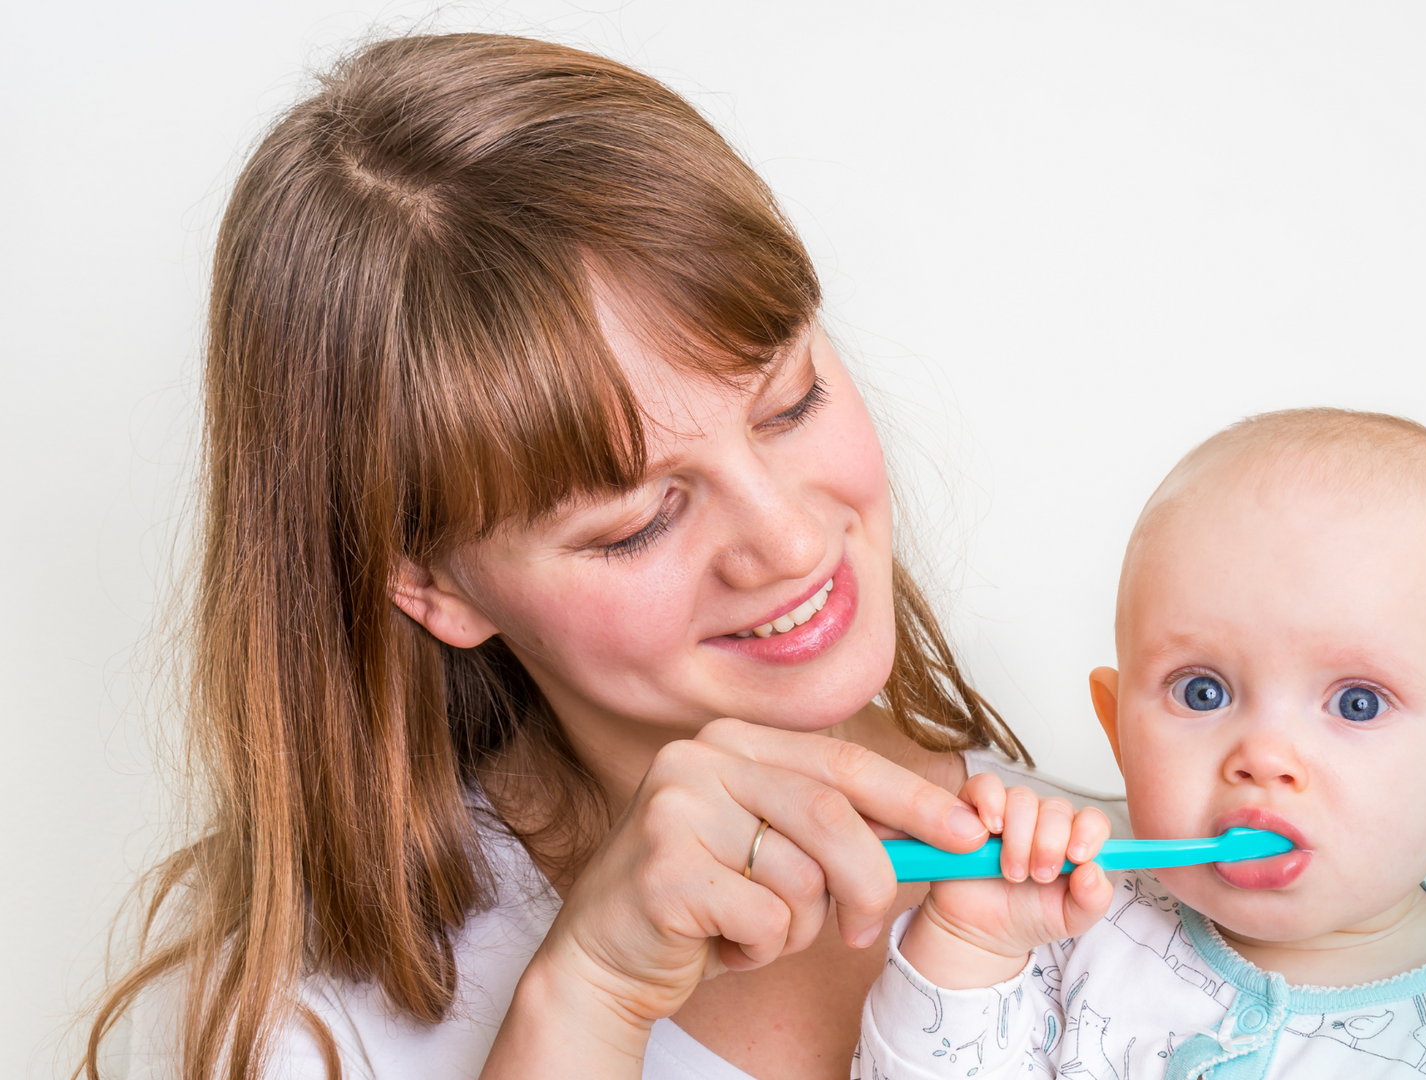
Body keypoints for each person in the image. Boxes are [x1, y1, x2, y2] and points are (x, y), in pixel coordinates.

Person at [82, 32, 1126, 1080]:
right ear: (430, 581)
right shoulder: (292, 1026)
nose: (792, 538)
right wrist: (583, 1004)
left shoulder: (1157, 896)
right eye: (637, 520)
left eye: (790, 402)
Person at [856, 409, 1426, 1079]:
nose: (1264, 755)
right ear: (1119, 730)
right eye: (1202, 692)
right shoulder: (1064, 934)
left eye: (1357, 703)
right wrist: (969, 947)